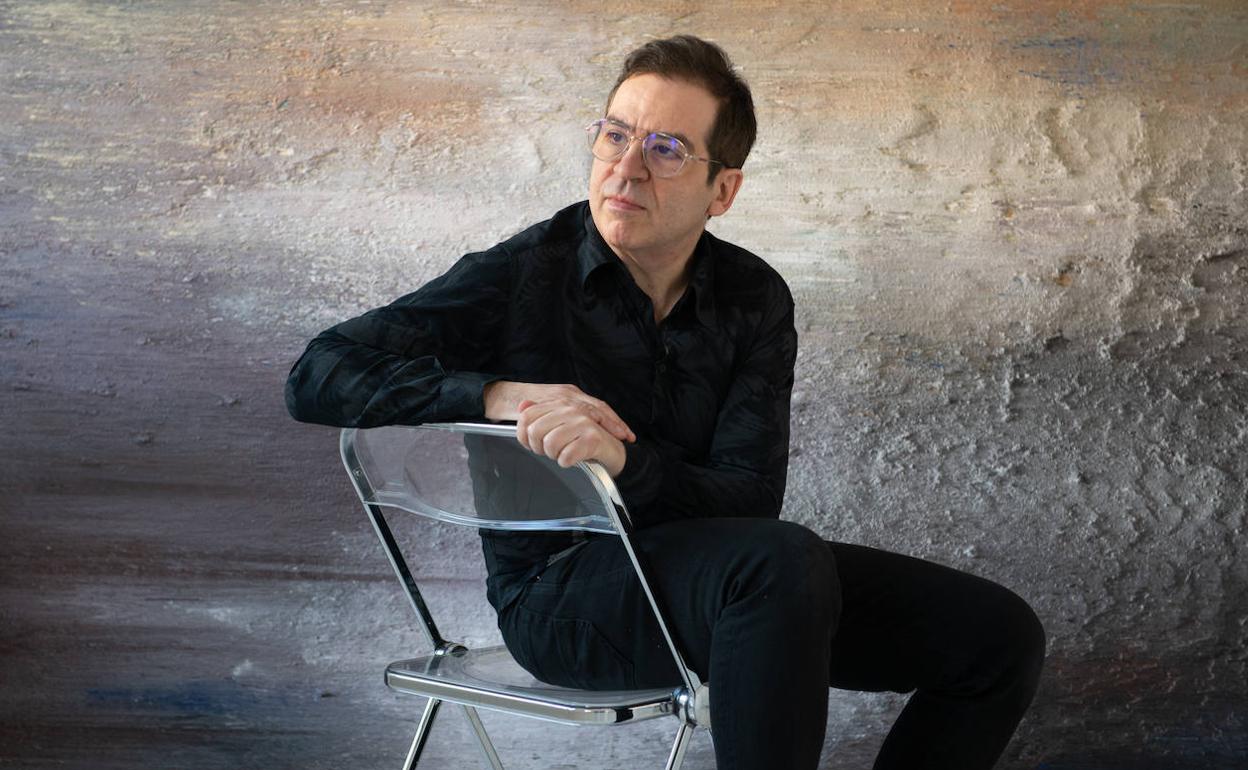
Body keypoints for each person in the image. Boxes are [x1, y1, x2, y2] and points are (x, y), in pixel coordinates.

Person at [286, 34, 1044, 770]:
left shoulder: (754, 298)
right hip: (558, 597)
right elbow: (317, 373)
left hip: (731, 584)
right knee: (778, 565)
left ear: (724, 191)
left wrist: (623, 461)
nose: (626, 168)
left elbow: (750, 498)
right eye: (615, 135)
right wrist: (497, 394)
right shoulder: (522, 274)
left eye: (666, 149)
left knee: (996, 637)